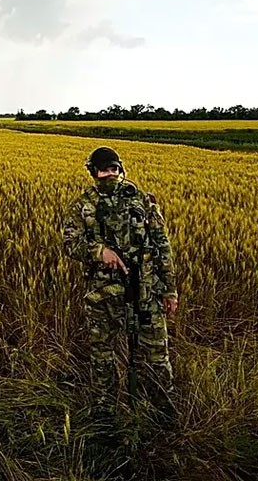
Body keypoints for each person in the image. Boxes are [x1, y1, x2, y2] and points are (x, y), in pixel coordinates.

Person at [62, 146, 178, 420]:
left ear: (120, 169)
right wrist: (99, 252)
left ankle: (163, 413)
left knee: (156, 355)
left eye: (113, 169)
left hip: (145, 291)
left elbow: (162, 245)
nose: (110, 175)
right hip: (103, 295)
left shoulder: (142, 200)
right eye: (104, 170)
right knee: (103, 357)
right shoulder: (82, 205)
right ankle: (106, 415)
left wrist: (169, 289)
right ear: (93, 172)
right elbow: (69, 243)